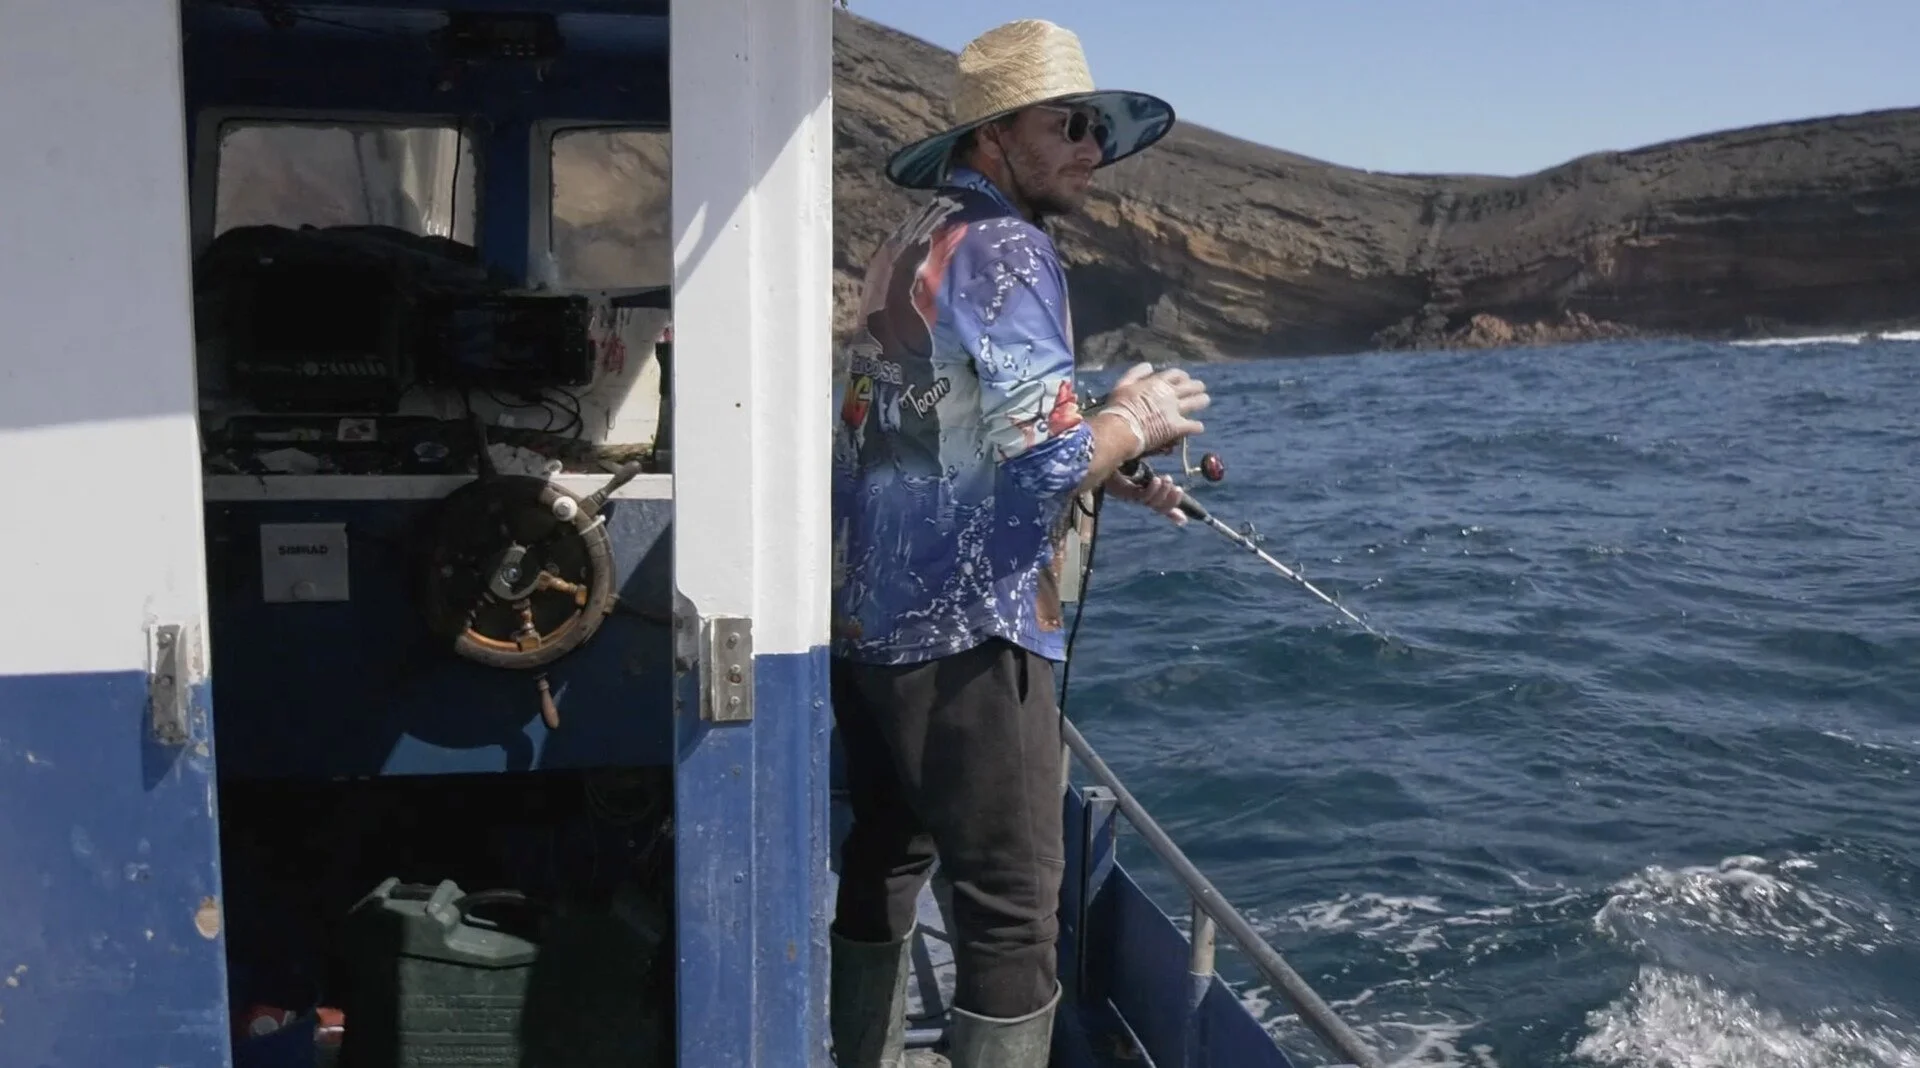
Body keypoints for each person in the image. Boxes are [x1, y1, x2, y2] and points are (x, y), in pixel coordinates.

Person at [828, 17, 1209, 1068]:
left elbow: (927, 432)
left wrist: (1111, 474)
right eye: (1071, 124)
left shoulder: (912, 238)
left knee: (883, 859)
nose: (1094, 147)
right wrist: (1139, 418)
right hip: (971, 632)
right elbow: (1039, 463)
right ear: (997, 135)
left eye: (1098, 127)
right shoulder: (1008, 247)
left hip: (868, 622)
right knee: (1009, 914)